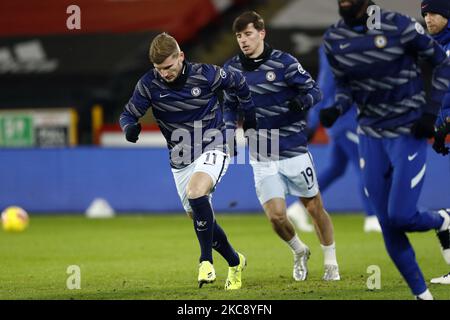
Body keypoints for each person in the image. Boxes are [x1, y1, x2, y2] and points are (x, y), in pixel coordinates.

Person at [320, 0, 450, 299]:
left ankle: (443, 218)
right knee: (388, 223)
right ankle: (422, 295)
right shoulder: (335, 38)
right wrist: (337, 108)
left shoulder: (399, 25)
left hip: (407, 131)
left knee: (402, 216)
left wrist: (430, 113)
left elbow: (442, 62)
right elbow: (345, 86)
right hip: (370, 136)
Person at [119, 32, 255, 290]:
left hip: (215, 144)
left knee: (196, 192)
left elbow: (239, 84)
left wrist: (246, 117)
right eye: (159, 69)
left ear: (181, 56)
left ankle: (205, 261)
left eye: (169, 67)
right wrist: (129, 128)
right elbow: (128, 114)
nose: (164, 73)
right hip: (180, 158)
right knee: (200, 216)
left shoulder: (206, 74)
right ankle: (235, 262)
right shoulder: (149, 84)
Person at [223, 11, 340, 282]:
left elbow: (315, 91)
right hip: (261, 153)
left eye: (248, 34)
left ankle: (331, 260)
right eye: (239, 36)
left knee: (314, 208)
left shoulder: (285, 63)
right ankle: (300, 251)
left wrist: (302, 102)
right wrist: (229, 132)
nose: (243, 40)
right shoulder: (231, 70)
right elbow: (229, 106)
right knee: (276, 217)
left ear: (262, 33)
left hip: (293, 148)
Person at [287, 44, 382, 233]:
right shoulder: (336, 55)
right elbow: (322, 88)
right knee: (366, 166)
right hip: (345, 122)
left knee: (336, 168)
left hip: (346, 121)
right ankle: (372, 217)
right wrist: (312, 124)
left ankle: (298, 208)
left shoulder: (349, 56)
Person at [421, 0, 450, 284]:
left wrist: (444, 128)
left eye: (432, 12)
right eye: (424, 13)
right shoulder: (440, 47)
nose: (427, 18)